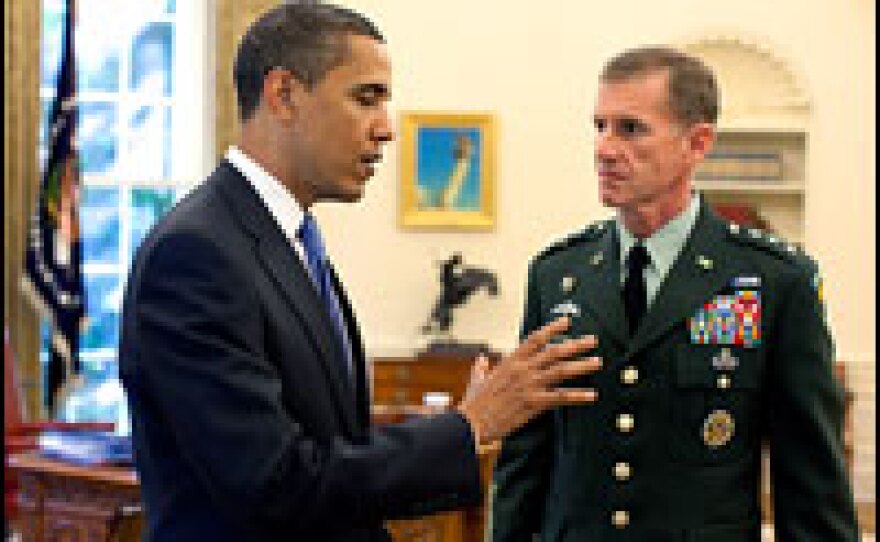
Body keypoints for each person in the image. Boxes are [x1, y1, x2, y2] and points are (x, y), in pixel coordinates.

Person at [118, 3, 602, 541]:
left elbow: (331, 447)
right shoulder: (196, 254)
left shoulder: (290, 240)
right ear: (284, 94)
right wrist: (467, 428)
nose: (387, 129)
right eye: (366, 98)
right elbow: (275, 484)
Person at [490, 46, 860, 541]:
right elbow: (525, 466)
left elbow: (812, 488)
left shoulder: (774, 281)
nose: (604, 149)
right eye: (599, 126)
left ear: (697, 142)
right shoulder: (558, 274)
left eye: (631, 129)